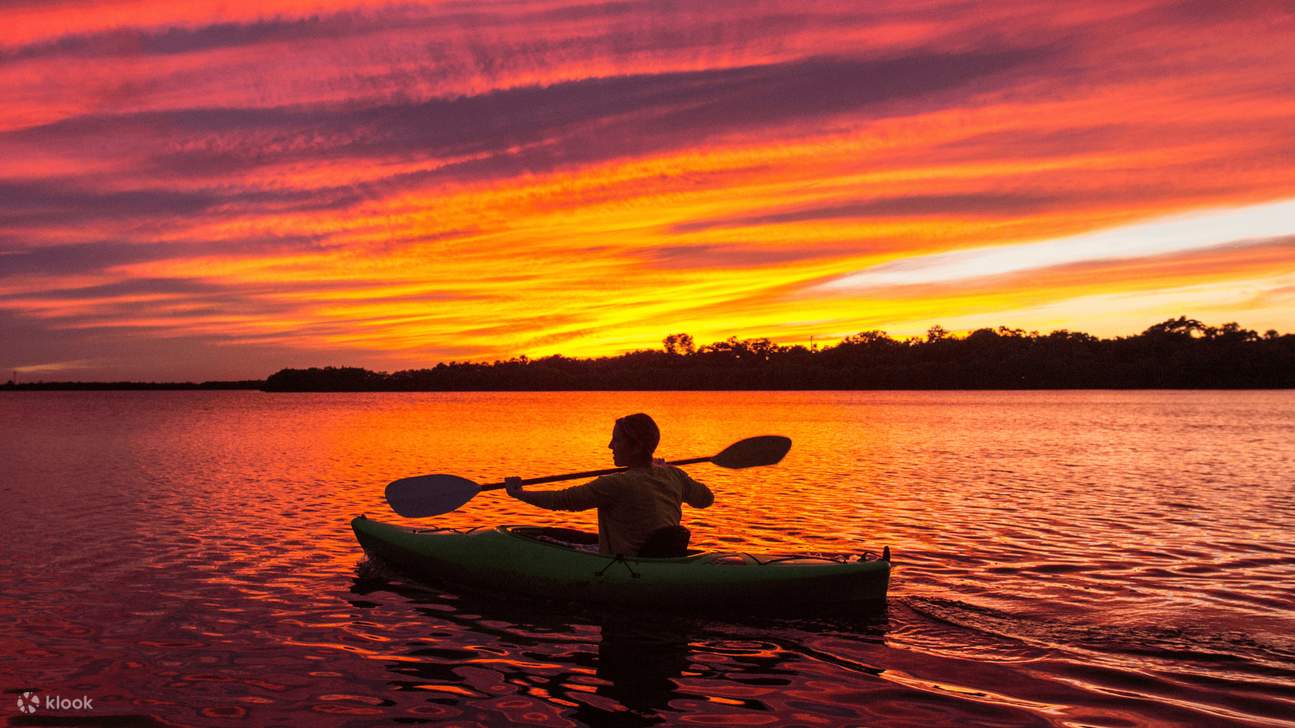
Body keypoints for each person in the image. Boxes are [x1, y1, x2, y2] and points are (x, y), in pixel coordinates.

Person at [505, 413, 714, 556]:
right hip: (660, 556)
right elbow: (706, 499)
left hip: (627, 562)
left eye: (617, 440)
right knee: (557, 534)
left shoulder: (616, 484)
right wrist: (664, 470)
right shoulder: (674, 475)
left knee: (542, 539)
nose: (610, 446)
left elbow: (563, 500)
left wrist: (519, 493)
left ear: (637, 446)